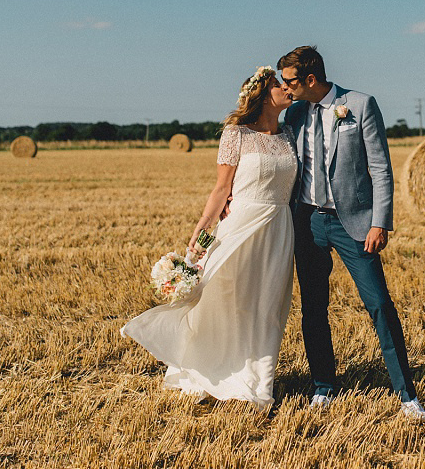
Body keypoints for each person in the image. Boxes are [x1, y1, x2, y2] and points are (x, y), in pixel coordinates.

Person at [120, 67, 297, 410]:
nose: (288, 89)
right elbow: (221, 189)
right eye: (280, 84)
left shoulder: (290, 133)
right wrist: (201, 232)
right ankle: (210, 372)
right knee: (222, 299)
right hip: (240, 224)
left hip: (279, 227)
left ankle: (258, 382)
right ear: (263, 94)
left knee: (269, 306)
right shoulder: (236, 135)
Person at [278, 46, 425, 420]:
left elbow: (381, 168)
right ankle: (323, 387)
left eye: (290, 80)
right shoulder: (294, 113)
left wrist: (380, 222)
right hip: (307, 222)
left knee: (378, 304)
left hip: (354, 223)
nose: (285, 87)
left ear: (311, 79)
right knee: (314, 307)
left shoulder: (359, 104)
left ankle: (406, 394)